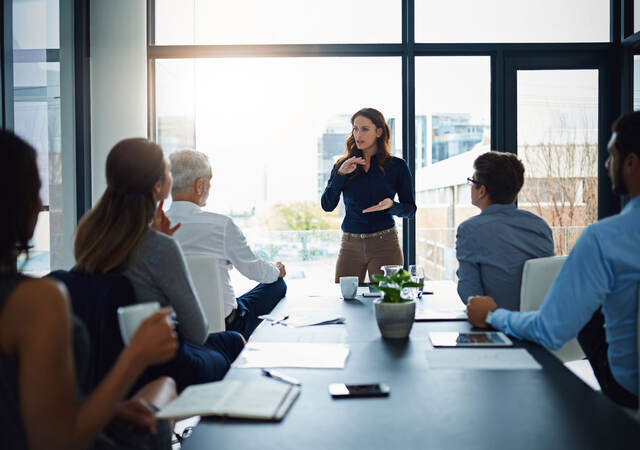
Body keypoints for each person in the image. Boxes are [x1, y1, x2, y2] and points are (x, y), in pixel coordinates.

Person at [0, 130, 178, 450]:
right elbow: (56, 442)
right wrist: (135, 356)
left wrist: (110, 409)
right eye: (35, 191)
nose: (41, 204)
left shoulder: (87, 235)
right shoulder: (36, 300)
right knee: (163, 391)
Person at [467, 111, 640, 409]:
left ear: (631, 163)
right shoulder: (540, 226)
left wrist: (493, 314)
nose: (606, 164)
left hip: (629, 392)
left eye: (611, 156)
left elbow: (551, 330)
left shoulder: (605, 239)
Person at [74, 138, 245, 390]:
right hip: (162, 360)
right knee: (235, 342)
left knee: (228, 341)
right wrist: (165, 244)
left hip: (112, 355)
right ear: (159, 186)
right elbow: (197, 332)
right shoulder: (158, 246)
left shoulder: (89, 235)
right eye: (167, 170)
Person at [166, 149, 287, 340]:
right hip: (226, 326)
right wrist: (276, 269)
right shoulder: (220, 225)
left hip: (175, 330)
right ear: (199, 186)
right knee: (277, 284)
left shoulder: (152, 228)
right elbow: (254, 270)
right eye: (209, 182)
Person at [321, 107, 416, 283]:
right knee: (345, 300)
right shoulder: (343, 165)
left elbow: (410, 210)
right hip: (350, 245)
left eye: (365, 129)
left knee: (388, 301)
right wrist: (340, 175)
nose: (358, 134)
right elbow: (327, 205)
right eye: (355, 129)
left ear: (379, 132)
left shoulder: (397, 166)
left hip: (385, 244)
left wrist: (392, 206)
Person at [456, 151, 554, 310]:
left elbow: (470, 296)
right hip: (536, 327)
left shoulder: (469, 230)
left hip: (495, 327)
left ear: (482, 191)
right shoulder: (540, 226)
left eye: (472, 181)